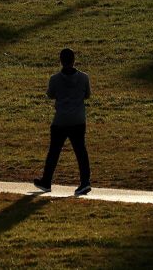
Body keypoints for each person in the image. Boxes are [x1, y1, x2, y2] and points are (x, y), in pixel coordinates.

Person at [33, 48, 91, 195]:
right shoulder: (84, 78)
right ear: (74, 60)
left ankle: (46, 181)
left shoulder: (55, 79)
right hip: (78, 119)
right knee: (81, 152)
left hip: (61, 120)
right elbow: (87, 95)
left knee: (54, 151)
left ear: (60, 60)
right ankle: (85, 182)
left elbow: (51, 95)